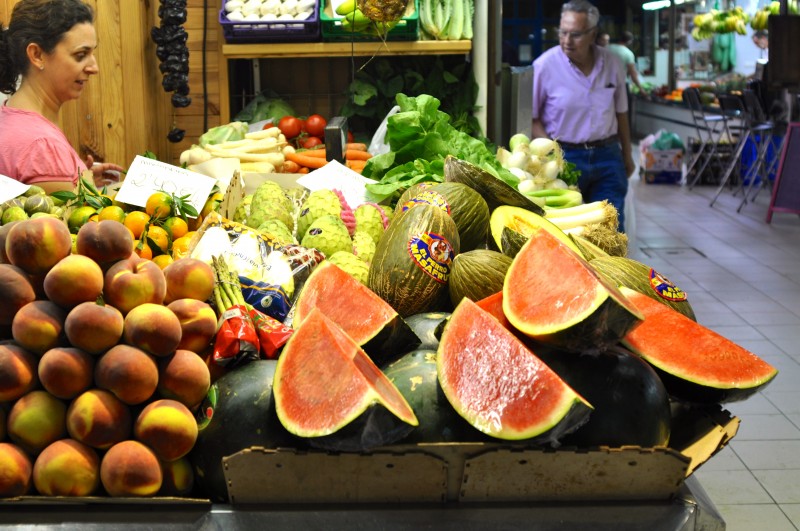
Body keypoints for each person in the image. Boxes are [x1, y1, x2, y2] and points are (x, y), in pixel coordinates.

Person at [0, 0, 123, 193]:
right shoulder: (41, 146)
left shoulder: (9, 114)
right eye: (80, 55)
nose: (94, 68)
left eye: (92, 54)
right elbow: (72, 221)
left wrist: (78, 179)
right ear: (37, 54)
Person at [532, 0, 634, 231]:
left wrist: (627, 155)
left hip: (608, 156)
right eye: (563, 32)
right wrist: (553, 155)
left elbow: (622, 114)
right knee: (569, 232)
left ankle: (611, 269)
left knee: (610, 229)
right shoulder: (544, 66)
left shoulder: (613, 64)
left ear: (593, 34)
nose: (567, 40)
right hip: (566, 158)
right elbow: (533, 119)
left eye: (575, 34)